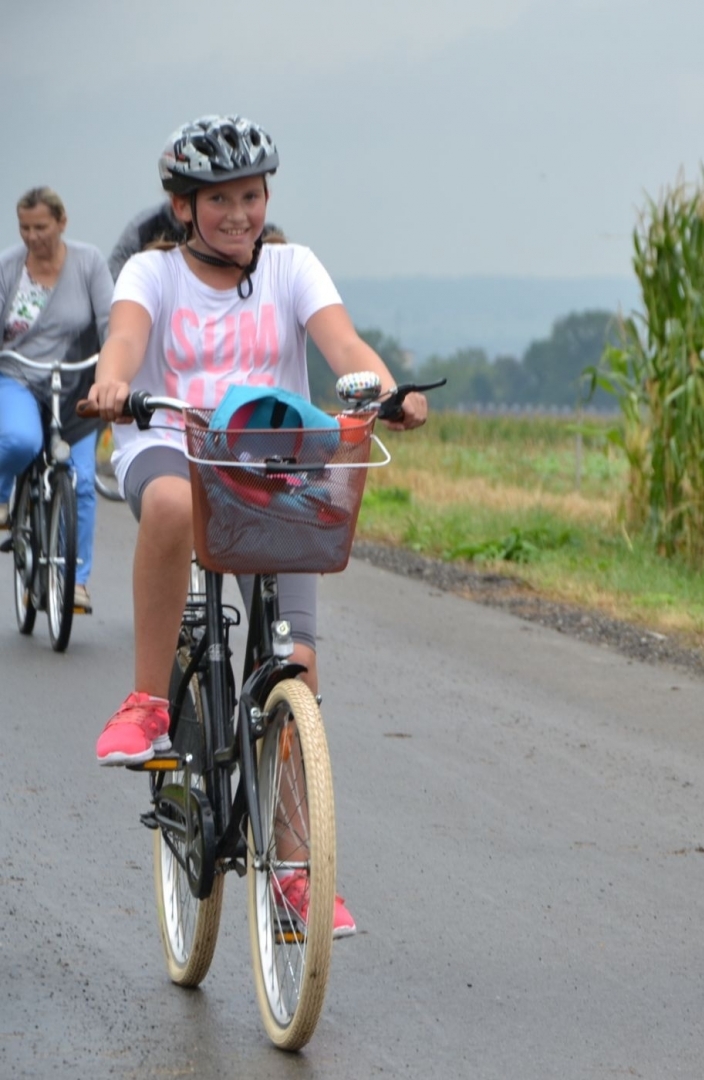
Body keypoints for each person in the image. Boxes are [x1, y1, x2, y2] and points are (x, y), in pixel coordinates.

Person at [86, 114, 429, 936]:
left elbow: (342, 343)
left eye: (250, 195)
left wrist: (387, 390)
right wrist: (110, 383)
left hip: (270, 465)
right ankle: (146, 703)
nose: (239, 214)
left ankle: (294, 872)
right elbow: (126, 340)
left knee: (295, 671)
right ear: (182, 208)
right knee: (170, 504)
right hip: (171, 445)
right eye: (219, 200)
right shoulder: (152, 273)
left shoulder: (291, 267)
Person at [0, 187, 113, 613]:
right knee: (20, 441)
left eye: (41, 227)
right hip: (17, 376)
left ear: (62, 223)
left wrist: (110, 377)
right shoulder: (9, 267)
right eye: (25, 228)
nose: (33, 236)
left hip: (73, 384)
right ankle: (2, 498)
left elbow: (110, 323)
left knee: (80, 480)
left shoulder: (88, 263)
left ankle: (76, 580)